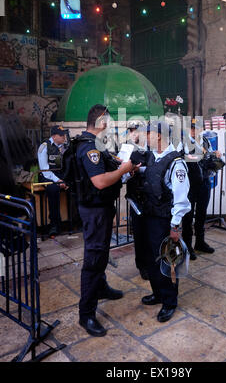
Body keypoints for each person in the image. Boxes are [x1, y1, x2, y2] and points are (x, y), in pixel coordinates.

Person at [76, 104, 137, 337]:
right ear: (101, 121)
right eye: (109, 121)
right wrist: (124, 170)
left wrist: (124, 171)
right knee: (93, 258)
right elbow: (100, 182)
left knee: (101, 253)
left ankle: (100, 287)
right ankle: (86, 314)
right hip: (95, 212)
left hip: (98, 209)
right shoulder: (90, 148)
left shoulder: (93, 145)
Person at [136, 120, 191, 323]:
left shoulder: (177, 163)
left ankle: (169, 301)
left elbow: (181, 198)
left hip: (164, 220)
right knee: (151, 258)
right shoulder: (152, 157)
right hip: (149, 216)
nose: (144, 137)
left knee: (166, 261)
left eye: (147, 133)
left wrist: (175, 226)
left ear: (158, 135)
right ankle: (158, 293)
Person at [180, 119, 220, 259]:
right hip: (190, 184)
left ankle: (200, 242)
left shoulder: (205, 141)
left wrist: (215, 156)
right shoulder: (184, 142)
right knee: (188, 216)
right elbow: (184, 159)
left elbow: (208, 156)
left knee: (202, 213)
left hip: (204, 181)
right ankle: (187, 246)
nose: (195, 130)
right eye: (192, 128)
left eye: (197, 128)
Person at [126, 123, 149, 280]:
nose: (134, 134)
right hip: (136, 197)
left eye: (136, 131)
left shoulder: (151, 149)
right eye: (131, 131)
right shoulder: (127, 150)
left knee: (151, 233)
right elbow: (122, 170)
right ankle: (142, 265)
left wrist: (140, 169)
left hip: (151, 197)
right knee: (139, 234)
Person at [37, 125, 68, 237]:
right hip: (47, 176)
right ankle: (54, 224)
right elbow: (45, 171)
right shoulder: (44, 147)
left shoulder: (63, 146)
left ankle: (74, 220)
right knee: (53, 189)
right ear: (54, 136)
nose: (64, 137)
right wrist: (58, 180)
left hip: (58, 174)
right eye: (61, 135)